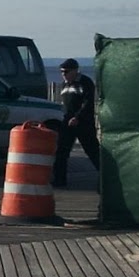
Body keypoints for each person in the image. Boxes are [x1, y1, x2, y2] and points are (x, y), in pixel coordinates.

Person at [53, 58, 99, 187]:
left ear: (75, 71)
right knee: (61, 152)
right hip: (67, 123)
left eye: (66, 71)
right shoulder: (64, 85)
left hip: (83, 123)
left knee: (92, 151)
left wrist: (78, 117)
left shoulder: (85, 82)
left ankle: (105, 178)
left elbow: (88, 103)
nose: (64, 74)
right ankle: (59, 180)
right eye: (62, 72)